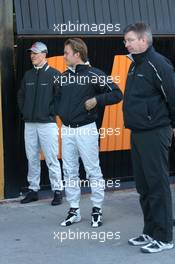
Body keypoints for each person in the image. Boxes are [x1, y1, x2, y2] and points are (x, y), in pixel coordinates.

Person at [55, 38, 123, 227]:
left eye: (66, 52)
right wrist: (60, 113)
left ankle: (97, 209)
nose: (64, 55)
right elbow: (56, 99)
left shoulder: (94, 74)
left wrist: (96, 100)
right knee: (69, 171)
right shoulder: (63, 76)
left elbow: (117, 94)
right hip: (67, 130)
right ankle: (74, 210)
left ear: (77, 54)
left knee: (93, 170)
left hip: (86, 130)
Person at [123, 22, 175, 253]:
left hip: (155, 132)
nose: (127, 44)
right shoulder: (135, 65)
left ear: (144, 40)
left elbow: (173, 94)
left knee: (157, 184)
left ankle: (165, 237)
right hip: (138, 132)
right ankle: (150, 231)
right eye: (126, 40)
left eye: (130, 40)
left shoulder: (158, 64)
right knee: (144, 186)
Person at [17, 42, 63, 205]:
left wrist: (50, 112)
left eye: (36, 53)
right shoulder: (28, 75)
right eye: (31, 53)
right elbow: (21, 96)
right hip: (30, 123)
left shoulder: (54, 75)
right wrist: (25, 111)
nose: (32, 56)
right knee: (32, 157)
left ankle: (57, 190)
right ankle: (33, 190)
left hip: (47, 123)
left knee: (51, 157)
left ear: (45, 54)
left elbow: (60, 98)